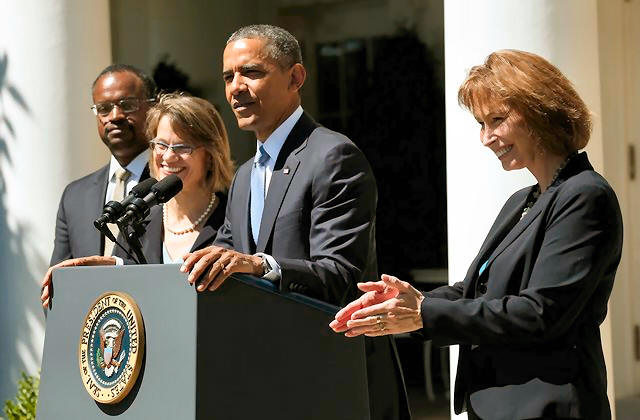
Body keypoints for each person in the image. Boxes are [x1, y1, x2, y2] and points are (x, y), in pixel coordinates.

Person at [330, 49, 623, 420]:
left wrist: (425, 313)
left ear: (541, 111)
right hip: (499, 406)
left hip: (548, 406)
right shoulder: (524, 200)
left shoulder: (584, 195)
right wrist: (405, 301)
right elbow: (478, 291)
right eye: (481, 124)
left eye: (497, 120)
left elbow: (540, 312)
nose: (486, 137)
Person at [180, 24, 410, 419]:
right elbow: (221, 261)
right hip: (267, 381)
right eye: (228, 77)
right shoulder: (245, 175)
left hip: (333, 379)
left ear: (295, 77)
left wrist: (260, 265)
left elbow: (340, 273)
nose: (236, 88)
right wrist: (120, 265)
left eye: (251, 72)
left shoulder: (333, 156)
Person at [41, 93, 234, 305]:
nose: (168, 157)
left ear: (211, 155)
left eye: (182, 147)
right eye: (161, 145)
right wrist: (104, 269)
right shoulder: (138, 219)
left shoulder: (233, 220)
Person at [49, 64, 156, 265]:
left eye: (127, 104)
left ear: (153, 108)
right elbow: (60, 277)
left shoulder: (169, 187)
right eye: (104, 109)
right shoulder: (74, 196)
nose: (115, 116)